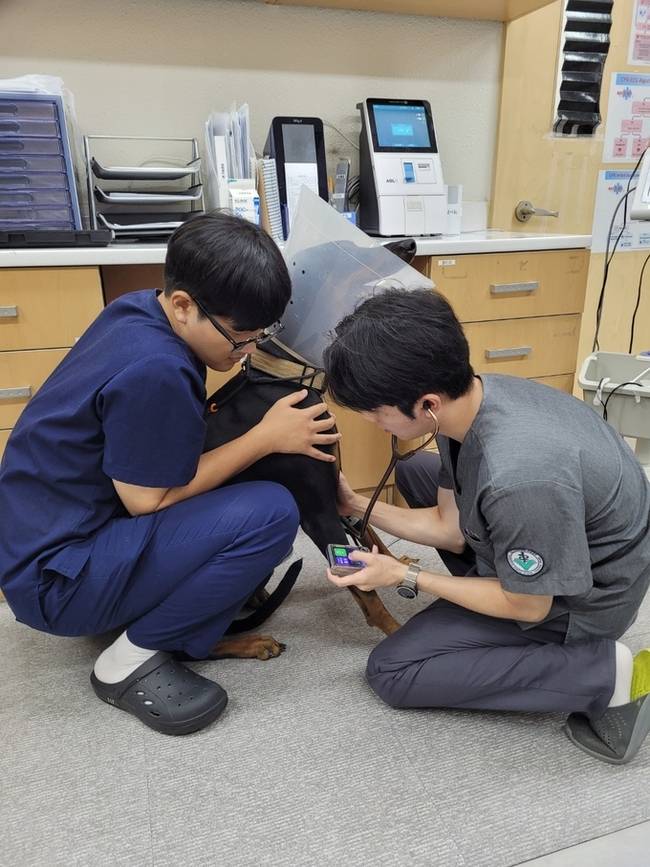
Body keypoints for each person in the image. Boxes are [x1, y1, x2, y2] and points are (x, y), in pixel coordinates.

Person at [0, 211, 340, 736]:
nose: (248, 351)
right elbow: (148, 501)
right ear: (183, 306)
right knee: (271, 512)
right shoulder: (157, 370)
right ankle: (129, 659)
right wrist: (267, 437)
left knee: (233, 487)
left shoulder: (136, 309)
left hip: (47, 536)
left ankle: (151, 610)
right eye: (241, 338)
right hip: (56, 582)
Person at [323, 287, 650, 765]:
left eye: (377, 411)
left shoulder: (518, 478)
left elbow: (530, 605)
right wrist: (354, 506)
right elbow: (450, 528)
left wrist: (404, 576)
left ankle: (606, 674)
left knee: (393, 669)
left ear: (427, 403)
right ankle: (496, 588)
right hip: (566, 540)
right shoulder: (475, 397)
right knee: (417, 473)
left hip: (585, 600)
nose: (374, 423)